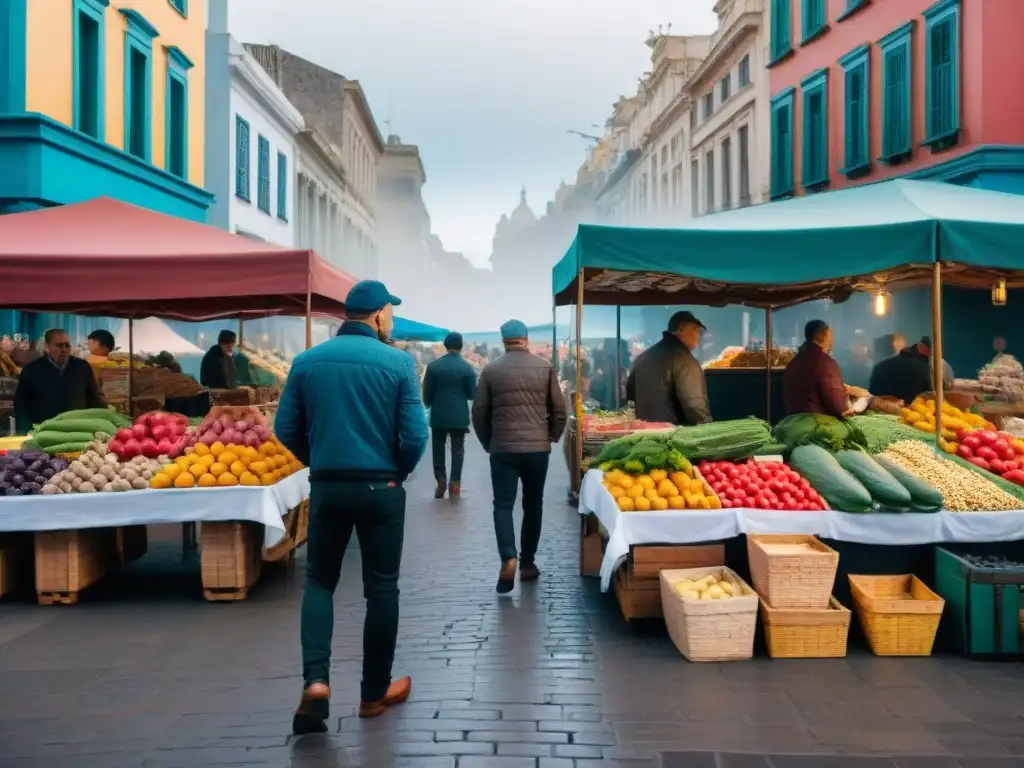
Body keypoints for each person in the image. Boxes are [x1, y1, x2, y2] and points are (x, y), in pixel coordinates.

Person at [275, 279, 427, 734]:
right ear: (379, 315)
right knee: (381, 588)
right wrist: (395, 470)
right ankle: (373, 693)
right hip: (381, 487)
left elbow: (285, 427)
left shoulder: (306, 362)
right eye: (391, 312)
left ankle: (316, 683)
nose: (392, 319)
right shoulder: (399, 363)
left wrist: (319, 459)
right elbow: (416, 436)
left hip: (327, 486)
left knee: (320, 581)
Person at [472, 319, 567, 593]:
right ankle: (527, 564)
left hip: (503, 448)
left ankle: (508, 557)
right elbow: (559, 409)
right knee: (533, 504)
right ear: (526, 339)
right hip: (537, 449)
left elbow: (479, 412)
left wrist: (488, 442)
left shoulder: (491, 370)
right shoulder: (545, 368)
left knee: (502, 505)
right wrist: (552, 435)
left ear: (504, 340)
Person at [626, 311, 712, 425]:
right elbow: (694, 406)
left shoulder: (643, 357)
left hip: (642, 434)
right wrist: (707, 428)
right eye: (695, 329)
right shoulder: (685, 360)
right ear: (680, 329)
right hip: (674, 436)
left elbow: (630, 397)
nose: (698, 335)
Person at [13, 329, 105, 432]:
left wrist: (100, 425)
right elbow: (21, 405)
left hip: (77, 431)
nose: (64, 349)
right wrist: (24, 432)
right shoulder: (31, 371)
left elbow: (97, 400)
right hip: (43, 433)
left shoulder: (82, 367)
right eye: (59, 345)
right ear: (47, 347)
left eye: (67, 345)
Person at [422, 331, 477, 498]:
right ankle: (455, 482)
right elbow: (471, 394)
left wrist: (429, 402)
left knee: (438, 447)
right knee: (458, 448)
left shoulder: (433, 367)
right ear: (460, 347)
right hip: (459, 415)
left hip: (439, 413)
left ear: (446, 346)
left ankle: (440, 479)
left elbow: (427, 392)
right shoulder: (468, 368)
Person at [783, 320, 852, 417]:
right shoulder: (825, 363)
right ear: (820, 336)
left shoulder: (793, 362)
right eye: (830, 337)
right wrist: (847, 399)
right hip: (817, 425)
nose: (831, 343)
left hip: (791, 422)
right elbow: (837, 406)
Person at [871, 337, 952, 404]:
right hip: (915, 415)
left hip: (880, 413)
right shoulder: (928, 369)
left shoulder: (880, 366)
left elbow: (872, 396)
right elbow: (940, 392)